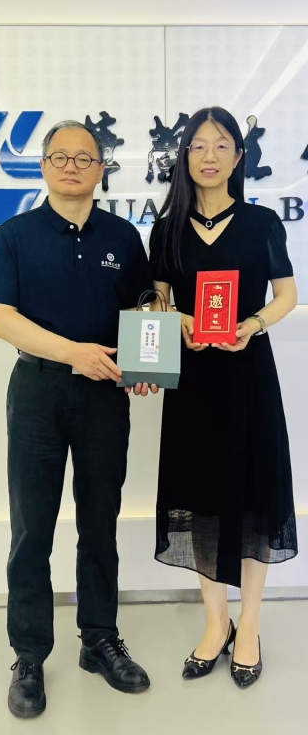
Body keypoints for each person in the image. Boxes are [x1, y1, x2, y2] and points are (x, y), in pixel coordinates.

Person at [0, 120, 155, 719]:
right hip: (37, 391)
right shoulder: (15, 234)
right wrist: (72, 352)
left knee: (100, 520)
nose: (72, 166)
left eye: (84, 158)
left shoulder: (123, 237)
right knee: (32, 527)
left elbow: (143, 313)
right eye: (60, 157)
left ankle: (99, 639)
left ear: (101, 168)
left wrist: (145, 366)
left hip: (105, 395)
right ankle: (29, 656)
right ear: (43, 166)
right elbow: (1, 318)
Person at [149, 107, 298, 688]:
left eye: (221, 145)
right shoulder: (167, 228)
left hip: (248, 375)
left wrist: (252, 324)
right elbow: (155, 301)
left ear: (239, 156)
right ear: (184, 157)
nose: (209, 156)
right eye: (198, 146)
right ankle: (216, 622)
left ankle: (250, 624)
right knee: (199, 494)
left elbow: (286, 295)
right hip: (192, 381)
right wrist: (179, 319)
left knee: (255, 494)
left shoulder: (262, 223)